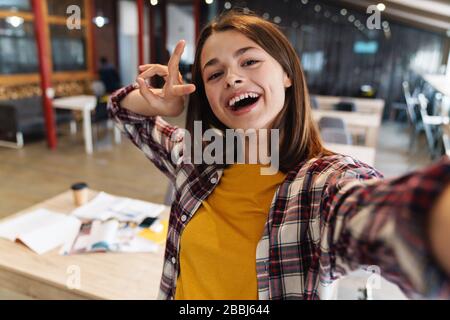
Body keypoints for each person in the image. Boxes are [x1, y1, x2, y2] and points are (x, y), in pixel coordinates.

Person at [108, 10, 450, 300]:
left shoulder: (322, 184)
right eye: (214, 74)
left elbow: (391, 218)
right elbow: (124, 112)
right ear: (207, 97)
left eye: (249, 61)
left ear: (287, 73)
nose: (233, 78)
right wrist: (164, 103)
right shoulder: (196, 158)